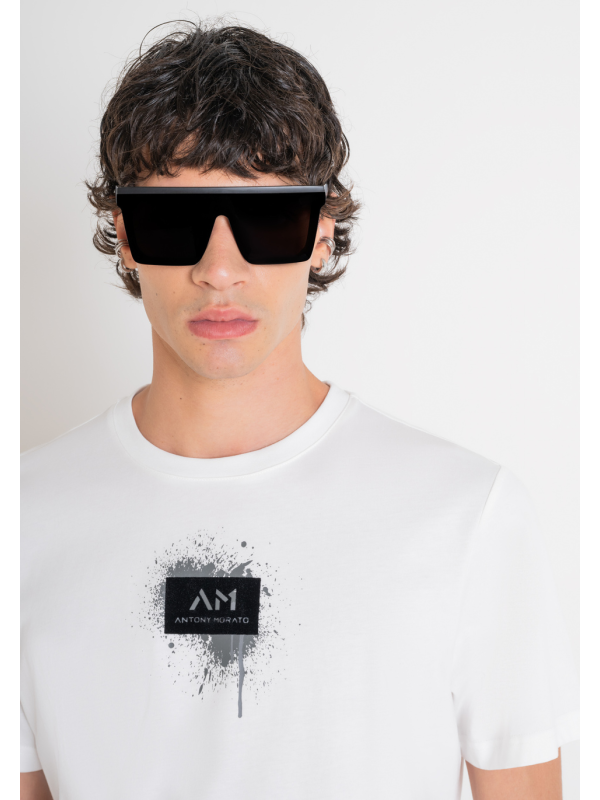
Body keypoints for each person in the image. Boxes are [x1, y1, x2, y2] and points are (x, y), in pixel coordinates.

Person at [20, 21, 579, 800]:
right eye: (175, 222)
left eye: (267, 221)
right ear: (125, 236)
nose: (220, 270)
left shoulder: (466, 516)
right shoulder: (32, 517)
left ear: (321, 234)